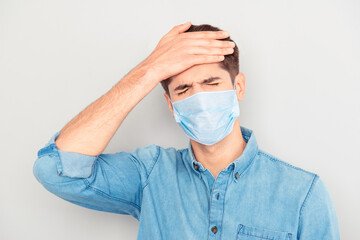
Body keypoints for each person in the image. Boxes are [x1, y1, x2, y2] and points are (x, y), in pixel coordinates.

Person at [33, 22, 340, 239]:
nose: (200, 98)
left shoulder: (303, 194)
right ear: (171, 105)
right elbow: (54, 169)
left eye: (211, 83)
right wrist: (150, 69)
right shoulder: (150, 174)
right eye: (183, 89)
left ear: (239, 86)